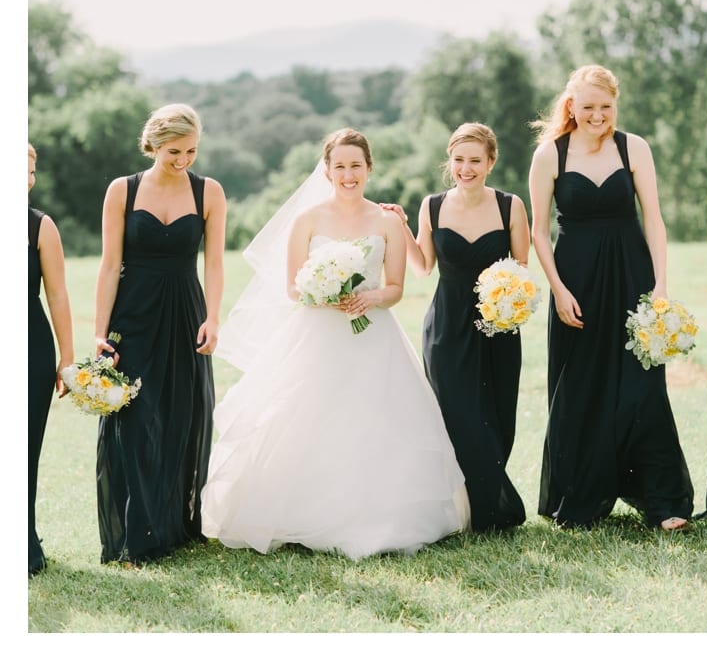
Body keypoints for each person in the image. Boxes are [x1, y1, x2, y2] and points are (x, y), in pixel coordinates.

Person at [202, 128, 467, 559]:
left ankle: (380, 517)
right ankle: (298, 513)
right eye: (340, 166)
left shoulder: (387, 222)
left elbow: (397, 286)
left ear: (368, 168)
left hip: (374, 338)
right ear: (326, 170)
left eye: (356, 166)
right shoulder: (307, 221)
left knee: (375, 421)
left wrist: (372, 296)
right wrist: (324, 291)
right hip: (316, 336)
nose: (348, 174)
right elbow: (292, 287)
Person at [529, 65, 694, 529]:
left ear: (615, 104)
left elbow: (655, 220)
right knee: (580, 385)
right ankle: (581, 498)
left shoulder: (633, 147)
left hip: (632, 276)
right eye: (588, 107)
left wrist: (660, 286)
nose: (597, 115)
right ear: (571, 107)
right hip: (576, 283)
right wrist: (558, 289)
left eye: (605, 106)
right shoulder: (550, 155)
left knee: (642, 385)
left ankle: (664, 502)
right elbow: (539, 233)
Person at [93, 104, 224, 565]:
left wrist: (212, 318)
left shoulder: (209, 191)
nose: (183, 159)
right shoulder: (121, 191)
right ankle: (136, 535)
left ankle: (173, 526)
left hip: (187, 313)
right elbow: (109, 265)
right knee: (134, 418)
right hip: (134, 315)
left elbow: (214, 262)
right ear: (152, 145)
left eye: (190, 150)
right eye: (173, 151)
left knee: (180, 415)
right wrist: (99, 332)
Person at [385, 122, 530, 530]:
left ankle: (485, 496)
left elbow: (522, 268)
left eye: (475, 161)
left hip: (498, 323)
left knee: (499, 416)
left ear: (490, 162)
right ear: (450, 161)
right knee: (459, 415)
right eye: (459, 160)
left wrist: (506, 298)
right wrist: (401, 228)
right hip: (447, 325)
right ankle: (480, 510)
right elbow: (423, 266)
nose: (466, 168)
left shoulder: (510, 206)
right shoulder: (431, 206)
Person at [28, 144, 74, 575]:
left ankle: (23, 540)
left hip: (30, 348)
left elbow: (57, 294)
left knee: (24, 448)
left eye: (31, 170)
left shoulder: (40, 226)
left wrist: (68, 358)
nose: (27, 178)